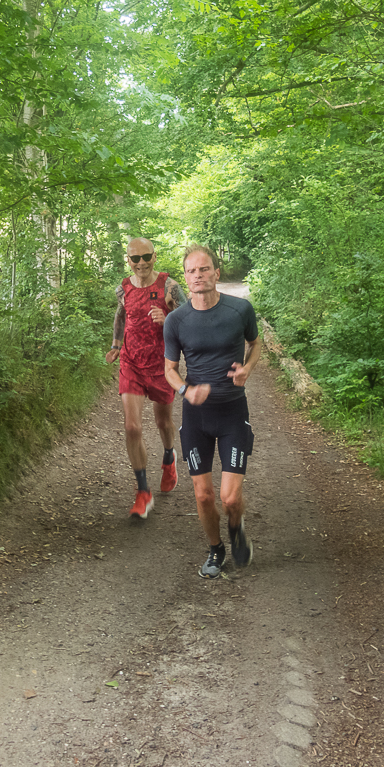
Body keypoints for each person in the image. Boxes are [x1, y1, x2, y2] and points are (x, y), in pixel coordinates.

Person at [163, 244, 261, 578]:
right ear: (185, 278)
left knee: (230, 499)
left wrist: (247, 369)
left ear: (216, 273)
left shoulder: (240, 310)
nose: (198, 276)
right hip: (196, 417)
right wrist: (186, 391)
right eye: (191, 271)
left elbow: (255, 344)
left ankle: (237, 529)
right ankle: (216, 549)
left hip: (233, 411)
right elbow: (169, 370)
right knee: (204, 495)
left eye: (204, 269)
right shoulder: (177, 320)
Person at [105, 237, 186, 520]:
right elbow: (121, 314)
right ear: (127, 260)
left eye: (146, 257)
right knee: (132, 428)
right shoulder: (123, 288)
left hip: (163, 364)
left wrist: (168, 320)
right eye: (135, 258)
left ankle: (169, 456)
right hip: (131, 363)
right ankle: (143, 492)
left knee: (163, 421)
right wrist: (116, 345)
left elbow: (189, 319)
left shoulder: (169, 286)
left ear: (155, 256)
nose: (141, 263)